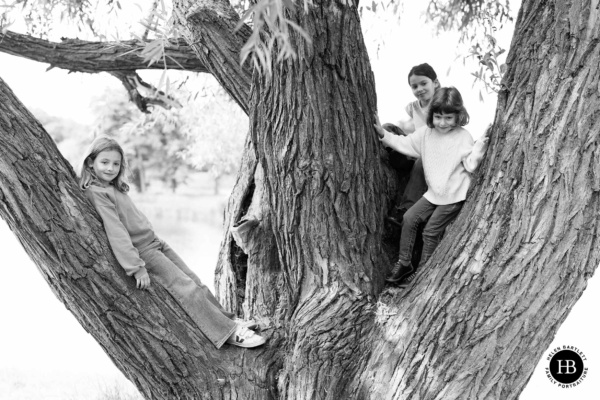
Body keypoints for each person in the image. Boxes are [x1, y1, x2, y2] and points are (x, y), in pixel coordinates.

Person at [78, 136, 266, 349]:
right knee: (186, 289)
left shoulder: (114, 187)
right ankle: (228, 332)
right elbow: (116, 231)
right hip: (143, 252)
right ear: (90, 162)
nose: (110, 168)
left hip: (155, 242)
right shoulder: (97, 192)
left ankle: (228, 319)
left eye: (116, 163)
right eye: (104, 162)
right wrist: (136, 267)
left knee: (194, 281)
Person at [374, 87, 489, 285]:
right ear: (432, 116)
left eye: (449, 118)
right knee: (409, 218)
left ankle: (423, 274)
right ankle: (404, 263)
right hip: (434, 193)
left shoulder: (463, 137)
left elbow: (470, 164)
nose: (442, 123)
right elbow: (405, 143)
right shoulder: (426, 134)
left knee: (430, 231)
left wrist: (479, 149)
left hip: (454, 195)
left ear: (458, 116)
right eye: (438, 117)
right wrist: (383, 133)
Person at [383, 63, 441, 223]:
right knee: (388, 127)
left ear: (435, 83)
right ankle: (400, 157)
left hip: (433, 154)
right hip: (416, 146)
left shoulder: (443, 104)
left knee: (422, 161)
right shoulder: (413, 107)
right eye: (414, 86)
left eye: (424, 83)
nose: (419, 89)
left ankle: (404, 210)